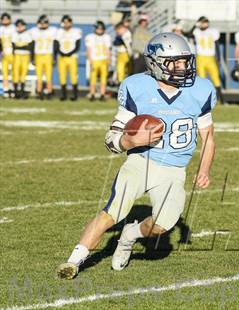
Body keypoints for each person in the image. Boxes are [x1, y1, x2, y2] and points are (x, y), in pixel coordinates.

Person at [57, 32, 216, 279]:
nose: (183, 67)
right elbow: (112, 138)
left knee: (162, 225)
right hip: (140, 161)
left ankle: (130, 236)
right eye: (175, 62)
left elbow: (208, 138)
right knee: (112, 212)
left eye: (185, 61)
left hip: (174, 169)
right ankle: (73, 262)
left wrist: (204, 169)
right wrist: (130, 140)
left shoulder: (202, 89)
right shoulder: (136, 86)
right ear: (155, 63)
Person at [192, 16, 224, 104]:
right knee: (202, 80)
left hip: (211, 58)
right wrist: (195, 25)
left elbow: (217, 45)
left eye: (206, 22)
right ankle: (203, 100)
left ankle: (222, 99)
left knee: (216, 79)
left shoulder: (213, 31)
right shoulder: (196, 31)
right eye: (202, 22)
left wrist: (219, 58)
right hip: (200, 58)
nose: (204, 24)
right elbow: (188, 34)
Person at [30, 15, 57, 100]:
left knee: (49, 76)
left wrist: (54, 57)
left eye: (45, 22)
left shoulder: (53, 31)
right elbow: (32, 45)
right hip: (38, 55)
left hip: (48, 55)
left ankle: (49, 92)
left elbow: (55, 44)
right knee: (39, 76)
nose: (43, 24)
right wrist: (32, 57)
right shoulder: (34, 31)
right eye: (41, 22)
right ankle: (39, 92)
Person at [55, 15, 82, 101]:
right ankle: (64, 95)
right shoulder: (59, 31)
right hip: (61, 57)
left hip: (72, 57)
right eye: (64, 22)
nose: (66, 24)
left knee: (73, 76)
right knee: (62, 76)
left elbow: (77, 45)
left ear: (71, 22)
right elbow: (56, 44)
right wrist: (60, 53)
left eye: (68, 22)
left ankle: (75, 95)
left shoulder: (76, 31)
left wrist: (70, 53)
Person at [85, 21, 111, 101]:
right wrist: (90, 60)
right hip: (94, 60)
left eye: (101, 29)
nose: (100, 30)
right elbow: (88, 50)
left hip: (103, 60)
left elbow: (107, 49)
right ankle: (92, 94)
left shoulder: (106, 37)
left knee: (103, 79)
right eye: (98, 29)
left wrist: (108, 59)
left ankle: (102, 94)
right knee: (93, 78)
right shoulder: (90, 37)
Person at [11, 19, 32, 99]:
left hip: (25, 56)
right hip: (17, 56)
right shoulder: (14, 34)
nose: (19, 27)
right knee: (15, 73)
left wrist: (20, 47)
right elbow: (14, 46)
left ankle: (22, 92)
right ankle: (16, 92)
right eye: (18, 26)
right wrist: (22, 47)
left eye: (21, 25)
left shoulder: (28, 34)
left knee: (23, 74)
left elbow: (29, 46)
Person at [130, 6, 152, 73]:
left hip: (146, 55)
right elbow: (132, 22)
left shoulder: (149, 32)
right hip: (137, 54)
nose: (143, 22)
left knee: (145, 73)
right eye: (142, 21)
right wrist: (134, 12)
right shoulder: (135, 29)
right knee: (136, 73)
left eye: (145, 21)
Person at [0, 13, 15, 98]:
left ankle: (13, 90)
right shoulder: (1, 29)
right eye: (3, 19)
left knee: (14, 73)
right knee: (5, 73)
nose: (5, 21)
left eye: (6, 19)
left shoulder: (13, 28)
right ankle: (6, 90)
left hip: (13, 54)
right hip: (4, 54)